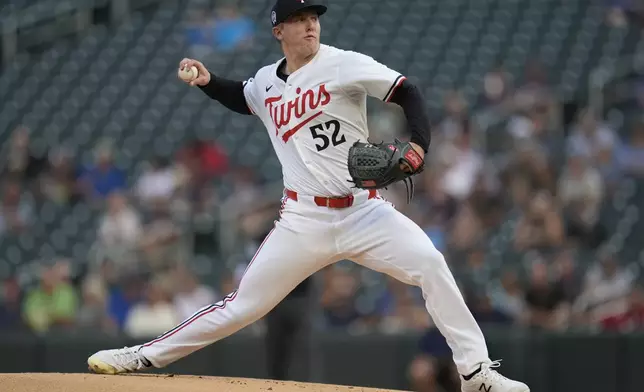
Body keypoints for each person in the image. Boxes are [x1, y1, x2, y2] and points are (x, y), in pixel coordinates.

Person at [87, 1, 529, 391]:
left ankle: (476, 374)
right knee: (241, 307)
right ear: (279, 30)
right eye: (298, 19)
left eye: (313, 17)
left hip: (363, 212)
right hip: (303, 220)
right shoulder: (265, 81)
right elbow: (244, 97)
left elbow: (406, 91)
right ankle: (142, 356)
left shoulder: (342, 64)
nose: (310, 25)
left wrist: (418, 145)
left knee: (431, 264)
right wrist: (208, 81)